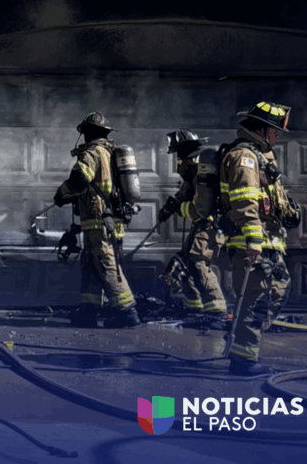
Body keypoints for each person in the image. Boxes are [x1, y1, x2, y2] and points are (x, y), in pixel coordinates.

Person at [220, 101, 300, 375]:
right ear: (263, 130)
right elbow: (244, 201)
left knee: (276, 293)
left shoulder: (262, 157)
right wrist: (254, 240)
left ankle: (241, 342)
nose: (278, 137)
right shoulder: (245, 157)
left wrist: (289, 212)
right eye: (275, 131)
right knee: (257, 300)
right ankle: (244, 359)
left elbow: (270, 198)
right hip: (252, 244)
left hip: (269, 243)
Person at [54, 112, 141, 329]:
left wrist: (61, 193)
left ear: (87, 133)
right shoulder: (111, 152)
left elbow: (79, 178)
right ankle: (89, 311)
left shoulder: (92, 152)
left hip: (97, 220)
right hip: (110, 220)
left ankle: (127, 312)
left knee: (106, 264)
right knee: (91, 264)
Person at [158, 129, 229, 330]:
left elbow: (200, 208)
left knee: (199, 263)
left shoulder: (202, 170)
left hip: (210, 224)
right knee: (187, 262)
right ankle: (196, 308)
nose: (179, 161)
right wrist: (169, 207)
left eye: (179, 155)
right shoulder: (194, 171)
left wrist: (178, 209)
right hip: (202, 225)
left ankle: (217, 312)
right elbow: (185, 192)